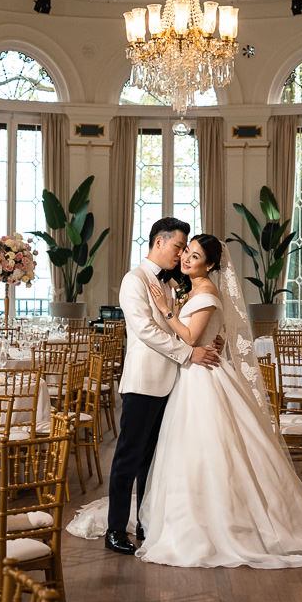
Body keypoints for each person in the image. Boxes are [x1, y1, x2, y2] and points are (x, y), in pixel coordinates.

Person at [132, 234, 302, 569]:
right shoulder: (194, 289)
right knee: (192, 451)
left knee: (213, 447)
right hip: (192, 373)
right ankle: (193, 512)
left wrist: (165, 311)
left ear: (209, 264)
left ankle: (222, 519)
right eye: (186, 254)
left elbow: (192, 337)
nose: (186, 259)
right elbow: (203, 334)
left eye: (194, 256)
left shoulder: (206, 291)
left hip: (203, 377)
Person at [100, 218, 221, 555]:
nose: (182, 254)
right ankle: (115, 529)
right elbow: (144, 330)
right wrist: (190, 354)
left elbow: (181, 325)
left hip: (172, 382)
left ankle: (145, 522)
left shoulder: (169, 284)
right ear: (158, 242)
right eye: (178, 247)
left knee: (151, 461)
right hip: (144, 381)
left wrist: (209, 340)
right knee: (128, 457)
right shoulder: (134, 280)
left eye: (186, 249)